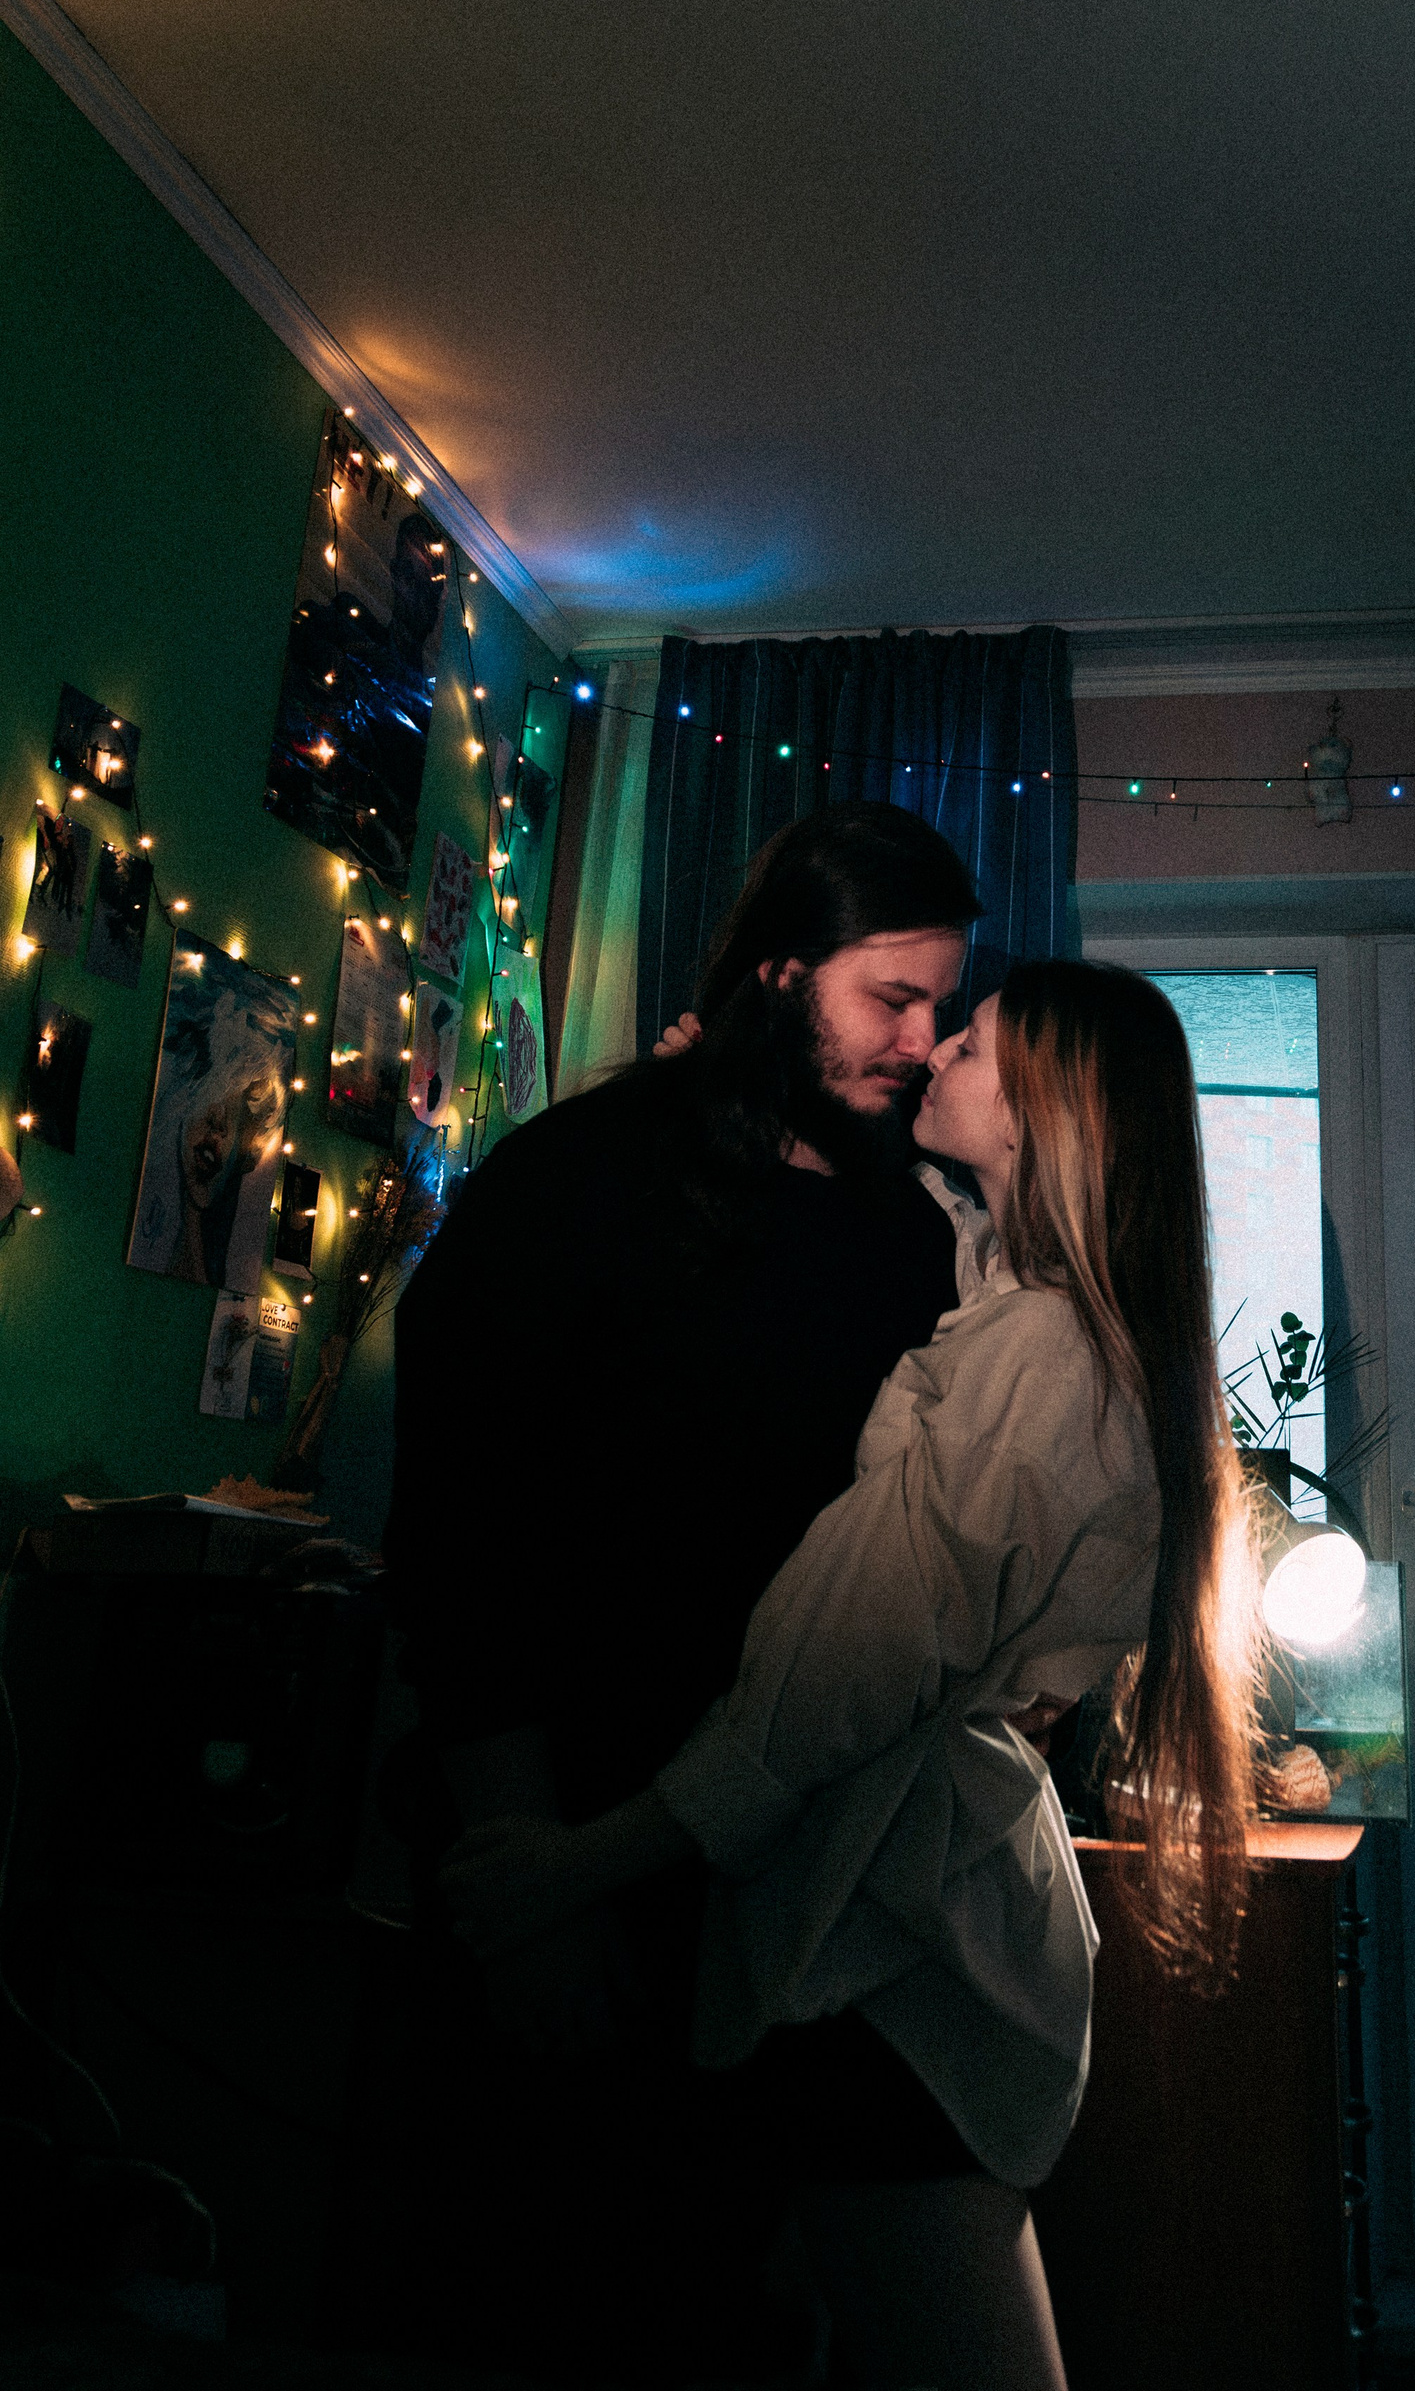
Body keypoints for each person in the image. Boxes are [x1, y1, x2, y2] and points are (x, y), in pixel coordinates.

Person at [442, 961, 1264, 2391]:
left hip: (897, 1940)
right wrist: (721, 1097)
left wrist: (584, 1861)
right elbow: (950, 1244)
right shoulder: (1041, 1314)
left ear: (1050, 1111)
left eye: (975, 1043)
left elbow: (834, 1671)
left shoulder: (1042, 1356)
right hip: (921, 1910)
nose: (936, 1050)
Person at [372, 802, 985, 2382]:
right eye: (891, 998)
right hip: (567, 1853)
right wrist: (528, 1874)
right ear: (780, 973)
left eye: (942, 1005)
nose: (924, 1042)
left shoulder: (910, 1236)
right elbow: (461, 1538)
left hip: (787, 1897)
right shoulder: (576, 1180)